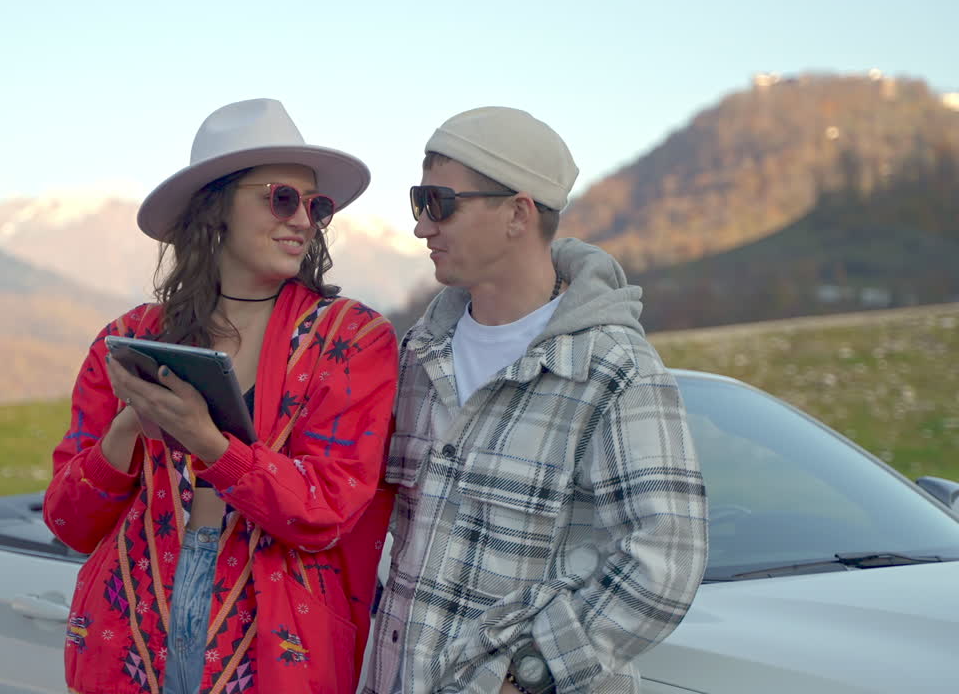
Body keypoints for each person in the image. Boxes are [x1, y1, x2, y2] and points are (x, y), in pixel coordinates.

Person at [44, 99, 398, 694]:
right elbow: (68, 520)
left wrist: (210, 443)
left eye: (316, 206)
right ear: (215, 208)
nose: (303, 220)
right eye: (281, 198)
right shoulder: (128, 339)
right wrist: (129, 427)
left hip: (277, 633)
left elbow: (328, 509)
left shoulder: (353, 340)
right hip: (129, 625)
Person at [362, 107, 708, 694]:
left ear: (518, 214)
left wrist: (531, 675)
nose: (423, 226)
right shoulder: (419, 354)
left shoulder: (612, 369)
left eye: (438, 202)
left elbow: (665, 559)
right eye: (418, 203)